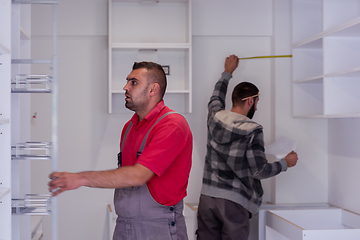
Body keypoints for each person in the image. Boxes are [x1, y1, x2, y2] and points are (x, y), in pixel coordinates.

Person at [48, 61, 193, 240]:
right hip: (124, 225)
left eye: (133, 82)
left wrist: (80, 178)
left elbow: (138, 175)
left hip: (159, 228)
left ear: (153, 89)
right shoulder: (129, 128)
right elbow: (126, 176)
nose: (125, 87)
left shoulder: (172, 125)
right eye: (127, 81)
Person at [196, 54, 298, 240]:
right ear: (250, 101)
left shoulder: (214, 117)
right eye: (257, 103)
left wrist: (227, 72)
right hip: (234, 203)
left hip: (207, 199)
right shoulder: (253, 130)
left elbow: (215, 97)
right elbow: (259, 171)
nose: (256, 108)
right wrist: (286, 163)